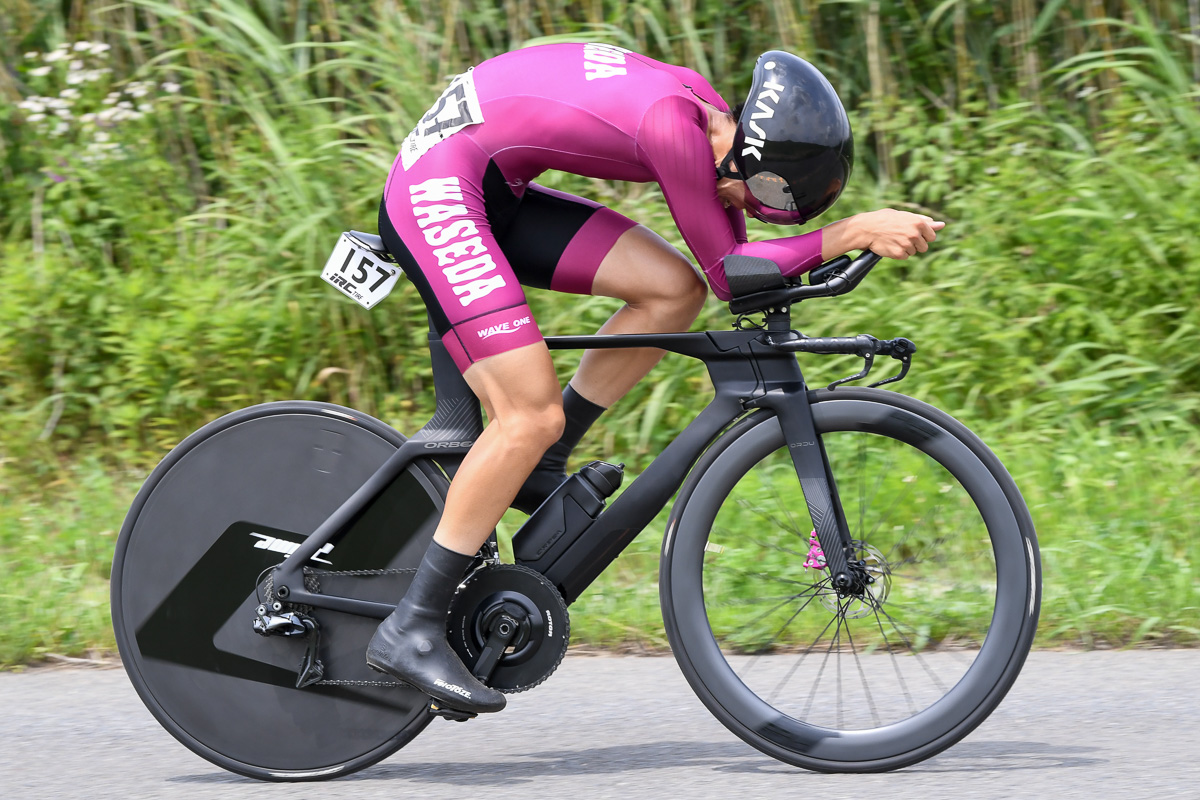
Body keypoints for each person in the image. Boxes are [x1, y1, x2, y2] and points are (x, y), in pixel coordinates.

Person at [366, 44, 945, 714]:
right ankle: (411, 626)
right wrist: (850, 232)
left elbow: (726, 268)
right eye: (758, 194)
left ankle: (540, 464)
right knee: (525, 414)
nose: (750, 208)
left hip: (493, 188)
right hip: (438, 191)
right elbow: (735, 272)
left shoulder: (708, 114)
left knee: (672, 291)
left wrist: (816, 246)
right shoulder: (675, 127)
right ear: (748, 157)